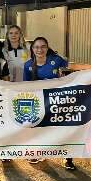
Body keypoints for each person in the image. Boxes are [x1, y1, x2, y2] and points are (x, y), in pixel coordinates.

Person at [23, 37, 76, 170]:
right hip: (40, 103)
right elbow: (25, 86)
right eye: (36, 47)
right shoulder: (28, 65)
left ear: (47, 48)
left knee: (64, 128)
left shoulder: (56, 60)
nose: (40, 49)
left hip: (58, 102)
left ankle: (68, 157)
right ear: (32, 49)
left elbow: (71, 68)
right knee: (39, 129)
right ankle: (37, 153)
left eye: (43, 46)